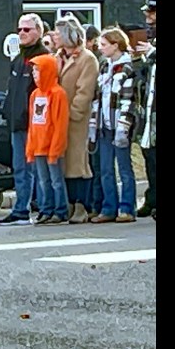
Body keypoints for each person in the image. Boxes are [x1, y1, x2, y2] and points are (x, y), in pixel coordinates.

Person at [0, 13, 49, 226]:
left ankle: (46, 208)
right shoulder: (19, 59)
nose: (22, 33)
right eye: (20, 29)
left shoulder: (44, 58)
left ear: (38, 31)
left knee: (39, 168)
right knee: (20, 167)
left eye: (27, 30)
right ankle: (21, 209)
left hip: (34, 123)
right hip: (17, 122)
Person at [88, 27, 138, 223]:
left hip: (119, 125)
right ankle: (109, 208)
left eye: (104, 45)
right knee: (106, 168)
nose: (101, 49)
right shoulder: (104, 67)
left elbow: (129, 100)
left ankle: (127, 208)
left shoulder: (127, 68)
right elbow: (97, 98)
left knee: (124, 167)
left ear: (116, 45)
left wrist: (124, 126)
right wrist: (94, 125)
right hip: (104, 125)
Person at [53, 17, 99, 224]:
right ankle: (70, 203)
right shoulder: (58, 57)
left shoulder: (87, 59)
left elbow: (85, 90)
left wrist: (74, 112)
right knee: (65, 163)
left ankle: (82, 205)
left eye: (58, 33)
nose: (54, 37)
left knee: (78, 162)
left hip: (77, 120)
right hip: (59, 118)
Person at [26, 54, 70, 225]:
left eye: (37, 70)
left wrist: (56, 148)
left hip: (51, 146)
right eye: (33, 71)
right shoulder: (35, 94)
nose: (34, 74)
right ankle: (46, 210)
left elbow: (60, 124)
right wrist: (30, 147)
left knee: (56, 180)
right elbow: (32, 124)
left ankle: (60, 210)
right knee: (43, 181)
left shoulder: (58, 94)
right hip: (38, 146)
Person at [134, 0, 156, 219]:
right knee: (149, 156)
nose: (148, 19)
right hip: (149, 109)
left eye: (152, 14)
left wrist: (150, 53)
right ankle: (152, 198)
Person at [83, 23, 105, 218]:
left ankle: (97, 204)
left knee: (97, 165)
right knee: (91, 164)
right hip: (90, 120)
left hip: (97, 119)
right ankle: (92, 203)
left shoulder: (96, 62)